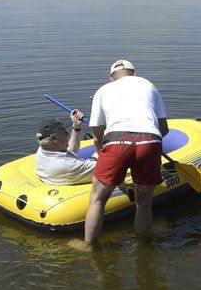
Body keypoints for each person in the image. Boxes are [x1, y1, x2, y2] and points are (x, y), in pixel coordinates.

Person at [85, 59, 169, 243]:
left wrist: (101, 155)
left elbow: (98, 136)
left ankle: (88, 247)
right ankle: (142, 245)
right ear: (135, 73)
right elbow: (164, 129)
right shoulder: (148, 85)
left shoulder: (102, 90)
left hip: (116, 141)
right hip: (150, 140)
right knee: (144, 201)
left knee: (97, 200)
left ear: (111, 78)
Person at [35, 109, 97, 185]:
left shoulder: (43, 150)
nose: (67, 133)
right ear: (53, 138)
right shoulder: (68, 166)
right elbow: (108, 167)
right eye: (63, 131)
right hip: (77, 170)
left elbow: (70, 151)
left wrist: (76, 126)